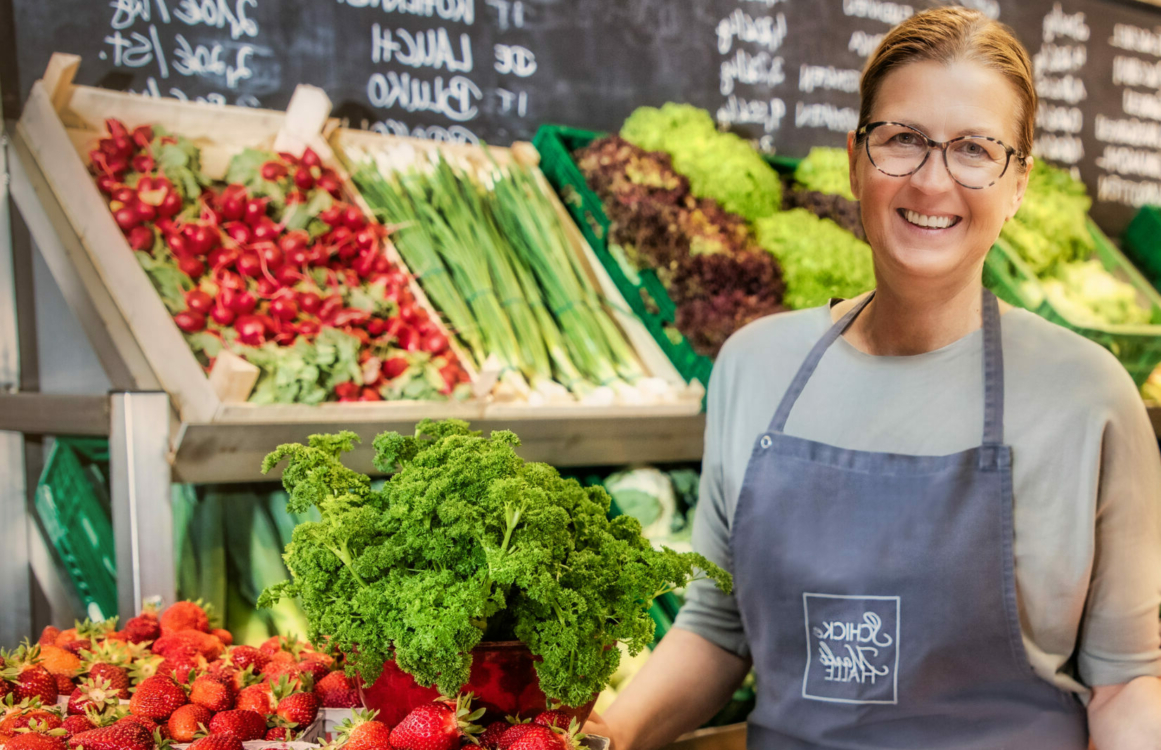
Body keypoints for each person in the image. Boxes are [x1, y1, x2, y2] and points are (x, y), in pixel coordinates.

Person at [585, 7, 1161, 749]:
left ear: (1017, 184)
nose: (932, 180)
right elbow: (718, 629)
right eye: (902, 140)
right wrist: (608, 734)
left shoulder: (1087, 396)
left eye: (975, 150)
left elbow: (1125, 681)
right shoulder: (754, 367)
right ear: (856, 160)